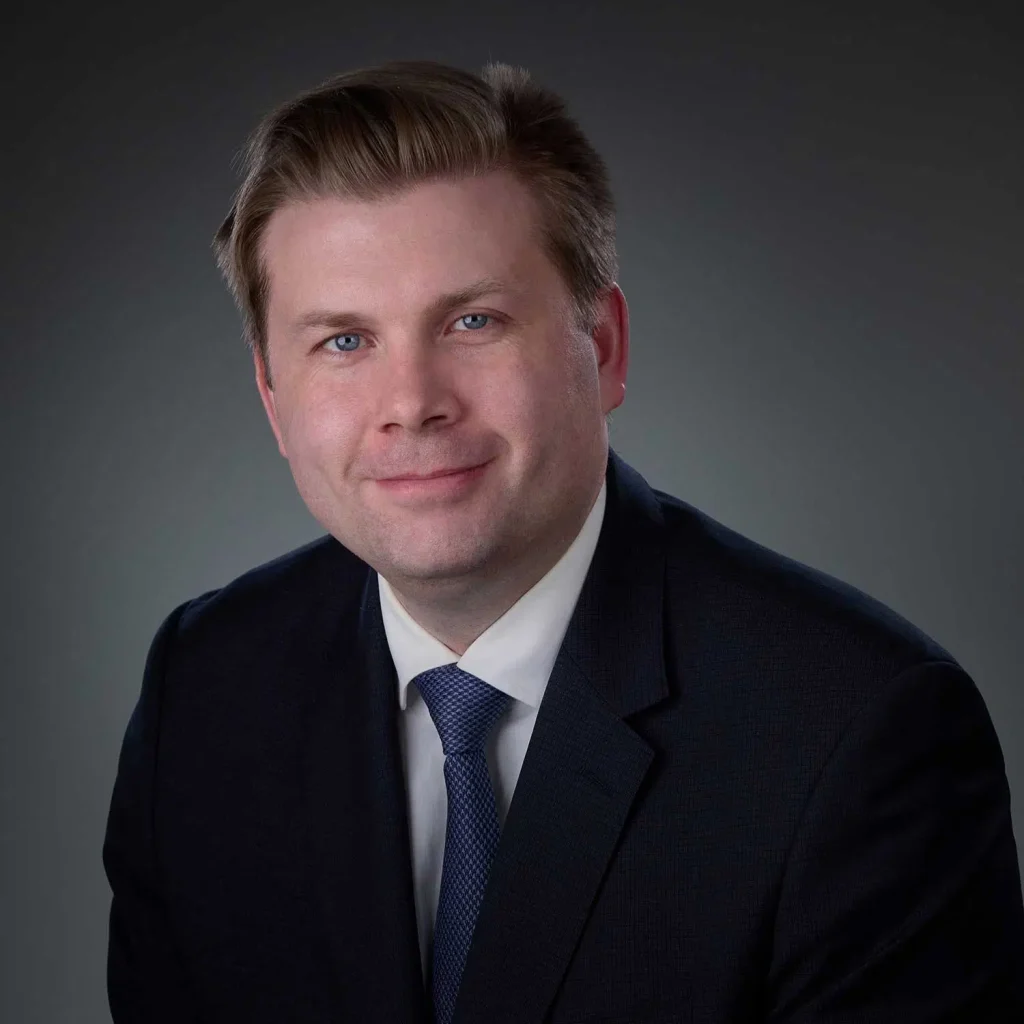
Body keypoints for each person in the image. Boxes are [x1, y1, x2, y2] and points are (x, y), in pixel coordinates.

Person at [102, 59, 1024, 1023]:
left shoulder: (855, 731)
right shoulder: (206, 688)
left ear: (605, 347)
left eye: (473, 320)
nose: (411, 403)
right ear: (272, 398)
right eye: (344, 341)